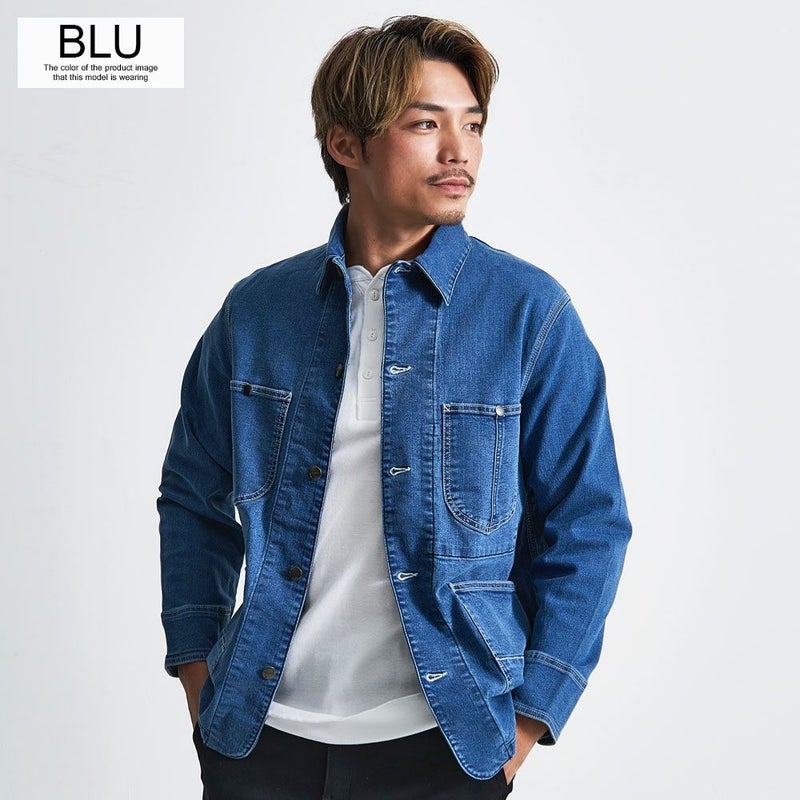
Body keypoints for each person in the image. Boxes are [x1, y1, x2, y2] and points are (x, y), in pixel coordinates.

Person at [157, 14, 632, 800]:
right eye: (425, 124)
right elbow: (191, 497)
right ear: (347, 144)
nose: (459, 151)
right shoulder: (258, 312)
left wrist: (525, 726)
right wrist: (200, 682)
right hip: (259, 738)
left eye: (472, 124)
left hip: (445, 747)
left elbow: (588, 522)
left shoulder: (527, 313)